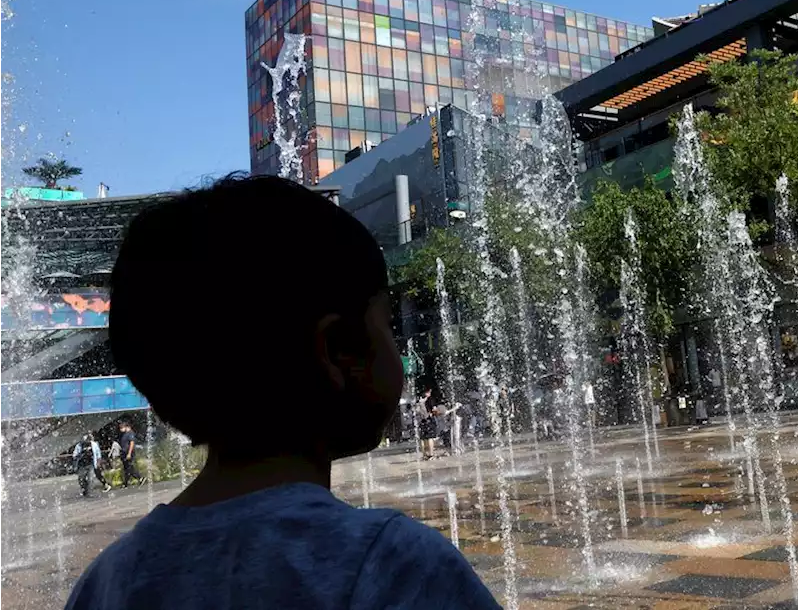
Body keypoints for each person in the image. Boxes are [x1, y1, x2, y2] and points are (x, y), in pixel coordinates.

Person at [65, 175, 498, 609]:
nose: (394, 341)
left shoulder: (106, 582)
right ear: (335, 351)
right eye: (386, 322)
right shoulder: (391, 564)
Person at [117, 422, 145, 487]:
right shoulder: (125, 434)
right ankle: (125, 483)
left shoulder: (130, 433)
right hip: (124, 453)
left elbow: (132, 444)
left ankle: (140, 478)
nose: (120, 429)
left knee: (129, 468)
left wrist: (129, 453)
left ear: (126, 427)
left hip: (129, 453)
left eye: (121, 428)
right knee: (126, 468)